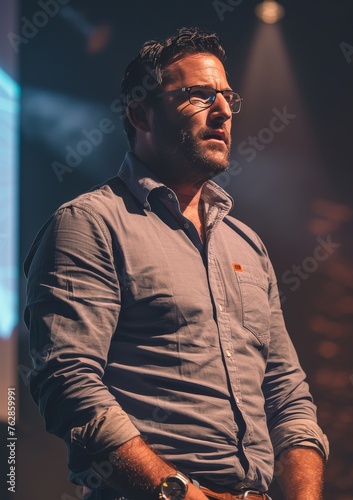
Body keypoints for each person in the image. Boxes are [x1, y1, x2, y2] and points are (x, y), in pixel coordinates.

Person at [24, 27, 329, 500]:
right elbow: (68, 382)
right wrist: (178, 493)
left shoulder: (247, 245)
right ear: (140, 113)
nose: (224, 110)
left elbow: (288, 395)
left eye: (227, 97)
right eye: (198, 95)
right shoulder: (88, 225)